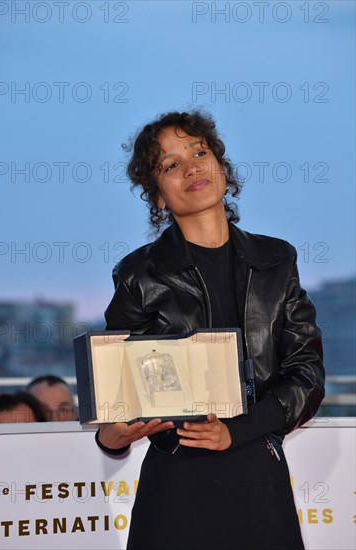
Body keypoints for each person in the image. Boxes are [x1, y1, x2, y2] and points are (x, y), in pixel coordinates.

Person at [96, 111, 325, 550]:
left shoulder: (277, 260)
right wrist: (112, 435)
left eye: (199, 152)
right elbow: (115, 391)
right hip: (176, 484)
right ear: (158, 197)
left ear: (222, 168)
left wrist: (238, 431)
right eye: (170, 164)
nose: (191, 167)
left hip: (258, 470)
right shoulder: (138, 275)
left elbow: (307, 373)